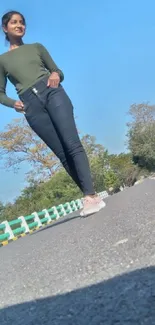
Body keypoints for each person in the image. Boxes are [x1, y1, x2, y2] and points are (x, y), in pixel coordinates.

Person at [0, 10, 106, 217]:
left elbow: (58, 71)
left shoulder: (37, 47)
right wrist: (14, 103)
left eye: (22, 22)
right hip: (31, 105)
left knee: (72, 143)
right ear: (5, 28)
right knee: (61, 153)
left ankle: (89, 196)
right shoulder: (2, 61)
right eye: (14, 23)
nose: (19, 25)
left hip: (52, 92)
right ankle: (90, 196)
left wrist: (56, 74)